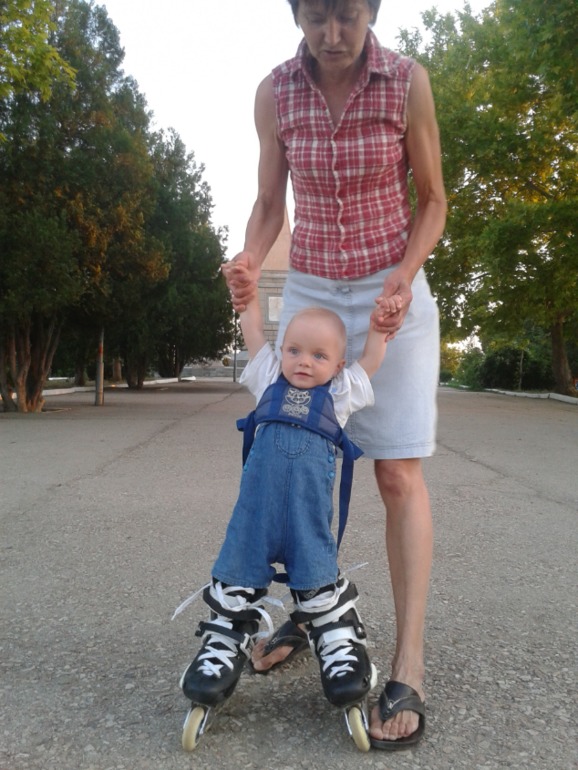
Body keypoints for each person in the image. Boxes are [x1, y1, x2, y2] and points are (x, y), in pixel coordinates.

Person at [222, 0, 446, 751]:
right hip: (312, 293)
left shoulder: (407, 82)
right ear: (296, 13)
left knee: (397, 473)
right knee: (298, 460)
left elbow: (433, 199)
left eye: (346, 15)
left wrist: (404, 275)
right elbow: (268, 203)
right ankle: (314, 610)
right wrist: (250, 258)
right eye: (315, 16)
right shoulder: (275, 91)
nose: (331, 34)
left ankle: (408, 661)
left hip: (390, 287)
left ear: (371, 9)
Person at [179, 292, 396, 744]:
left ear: (338, 366)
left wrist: (379, 329)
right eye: (294, 350)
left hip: (306, 518)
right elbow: (252, 332)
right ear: (281, 352)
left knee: (316, 576)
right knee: (237, 571)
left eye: (319, 355)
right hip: (255, 516)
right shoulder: (267, 378)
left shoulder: (340, 394)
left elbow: (371, 362)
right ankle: (224, 641)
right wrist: (246, 298)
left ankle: (336, 640)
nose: (303, 362)